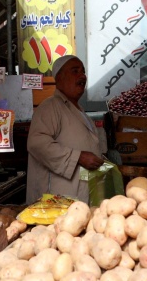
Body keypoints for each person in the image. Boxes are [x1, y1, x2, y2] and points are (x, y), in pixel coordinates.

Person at [26, 55, 105, 203]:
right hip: (55, 201)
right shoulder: (50, 107)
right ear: (59, 78)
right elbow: (37, 143)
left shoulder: (81, 112)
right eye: (75, 71)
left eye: (83, 71)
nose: (82, 76)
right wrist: (79, 157)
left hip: (78, 196)